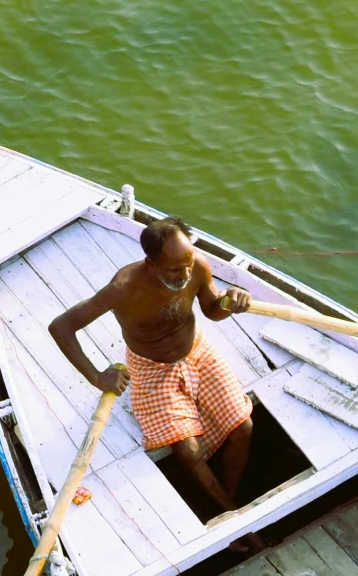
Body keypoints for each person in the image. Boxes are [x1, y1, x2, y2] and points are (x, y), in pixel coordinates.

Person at [47, 217, 258, 512]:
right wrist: (98, 378)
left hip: (196, 351)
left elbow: (212, 310)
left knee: (243, 426)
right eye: (174, 269)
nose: (185, 273)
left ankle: (232, 498)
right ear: (151, 263)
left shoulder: (196, 265)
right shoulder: (123, 287)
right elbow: (61, 326)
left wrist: (231, 302)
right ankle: (227, 511)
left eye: (187, 263)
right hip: (151, 367)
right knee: (188, 450)